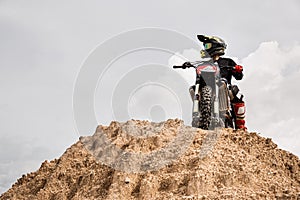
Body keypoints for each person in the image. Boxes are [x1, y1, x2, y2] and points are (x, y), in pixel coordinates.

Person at [187, 35, 247, 130]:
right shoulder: (203, 64)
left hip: (224, 89)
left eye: (207, 46)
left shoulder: (228, 62)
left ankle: (241, 124)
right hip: (207, 90)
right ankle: (198, 113)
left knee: (235, 91)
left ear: (215, 46)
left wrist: (238, 70)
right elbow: (198, 80)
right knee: (193, 88)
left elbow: (239, 77)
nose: (205, 48)